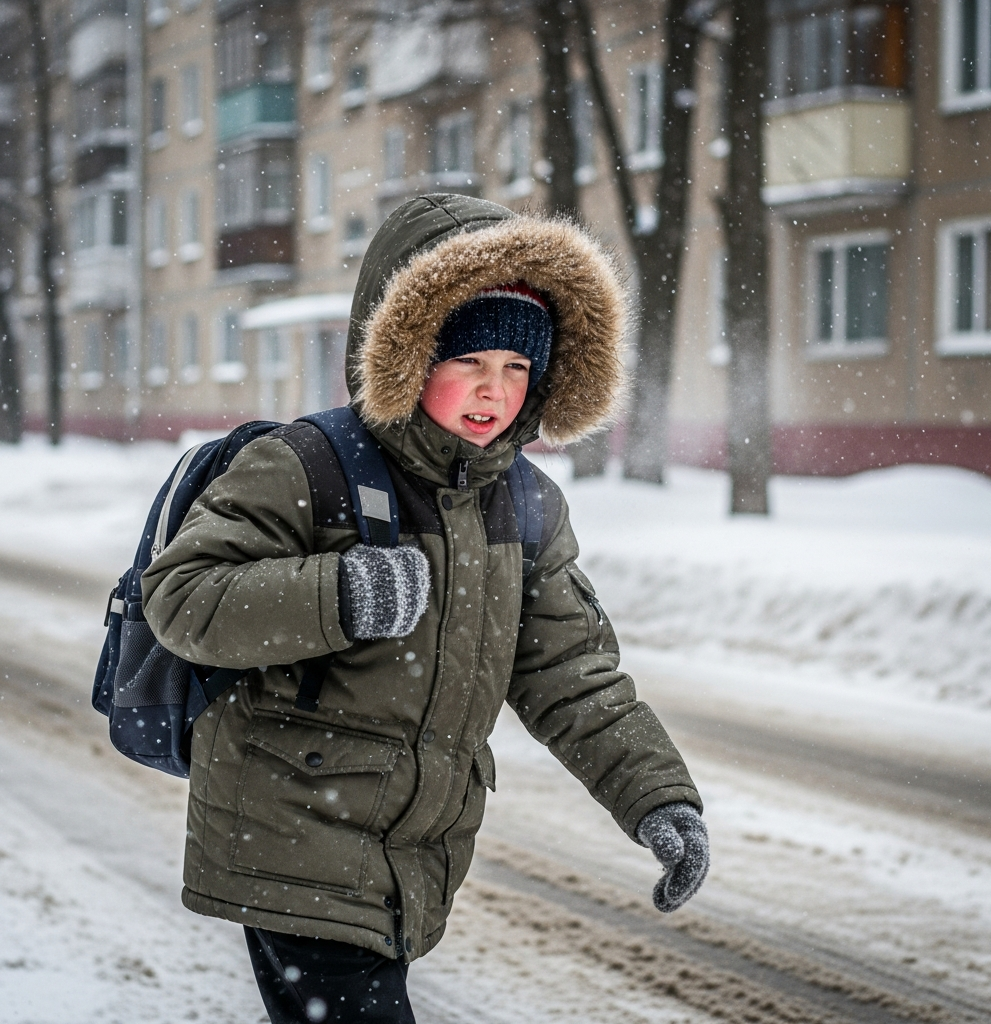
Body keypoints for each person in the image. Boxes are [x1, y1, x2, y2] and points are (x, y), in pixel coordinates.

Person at [142, 194, 709, 1024]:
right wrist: (344, 592)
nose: (494, 391)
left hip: (410, 852)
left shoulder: (523, 503)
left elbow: (572, 676)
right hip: (293, 833)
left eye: (517, 369)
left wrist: (659, 799)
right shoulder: (308, 463)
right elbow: (184, 598)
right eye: (470, 362)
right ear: (408, 354)